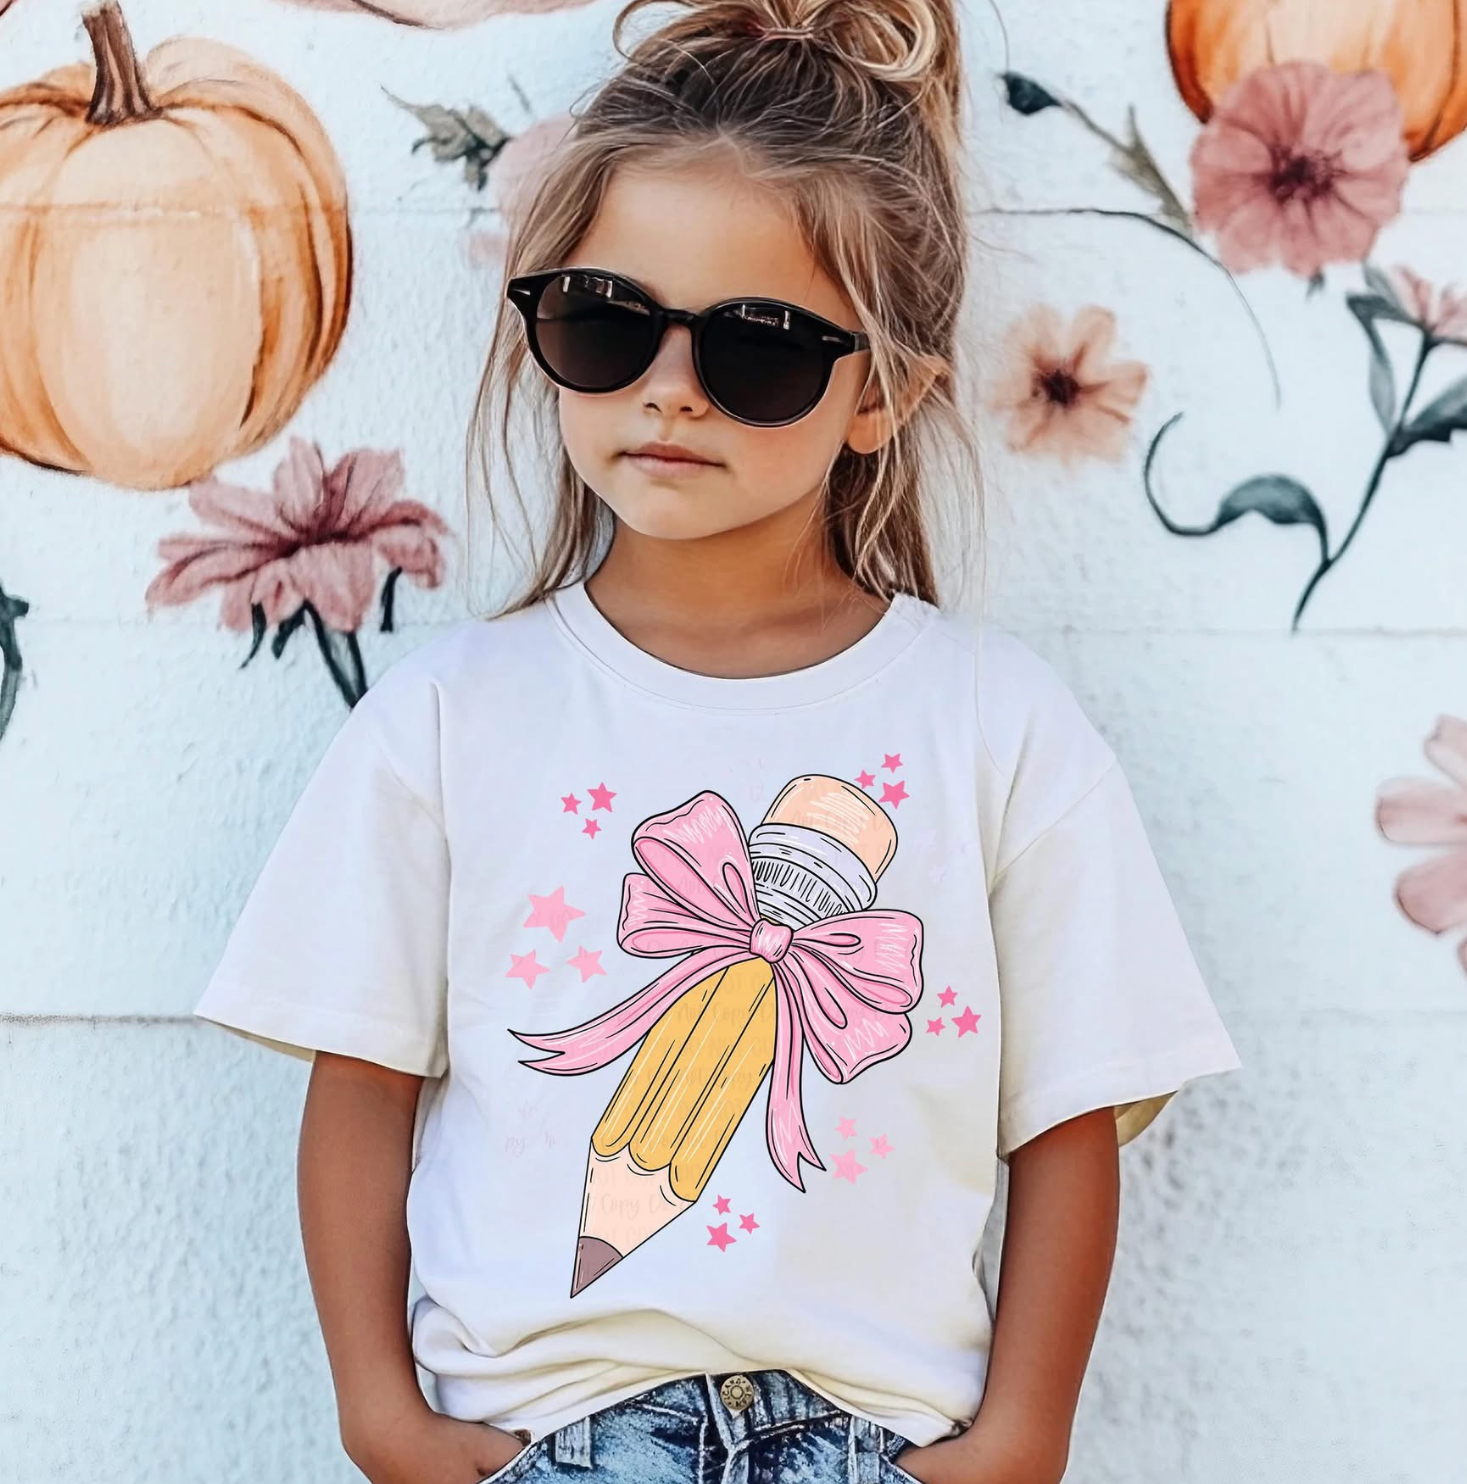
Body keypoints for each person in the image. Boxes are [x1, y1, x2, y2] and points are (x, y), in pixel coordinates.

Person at [194, 2, 1244, 1482]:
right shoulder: (448, 722)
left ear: (881, 393)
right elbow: (359, 1083)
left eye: (760, 350)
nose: (671, 388)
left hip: (872, 1442)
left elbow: (1070, 1112)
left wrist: (1020, 1441)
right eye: (608, 324)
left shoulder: (1000, 731)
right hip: (544, 1438)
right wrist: (385, 1417)